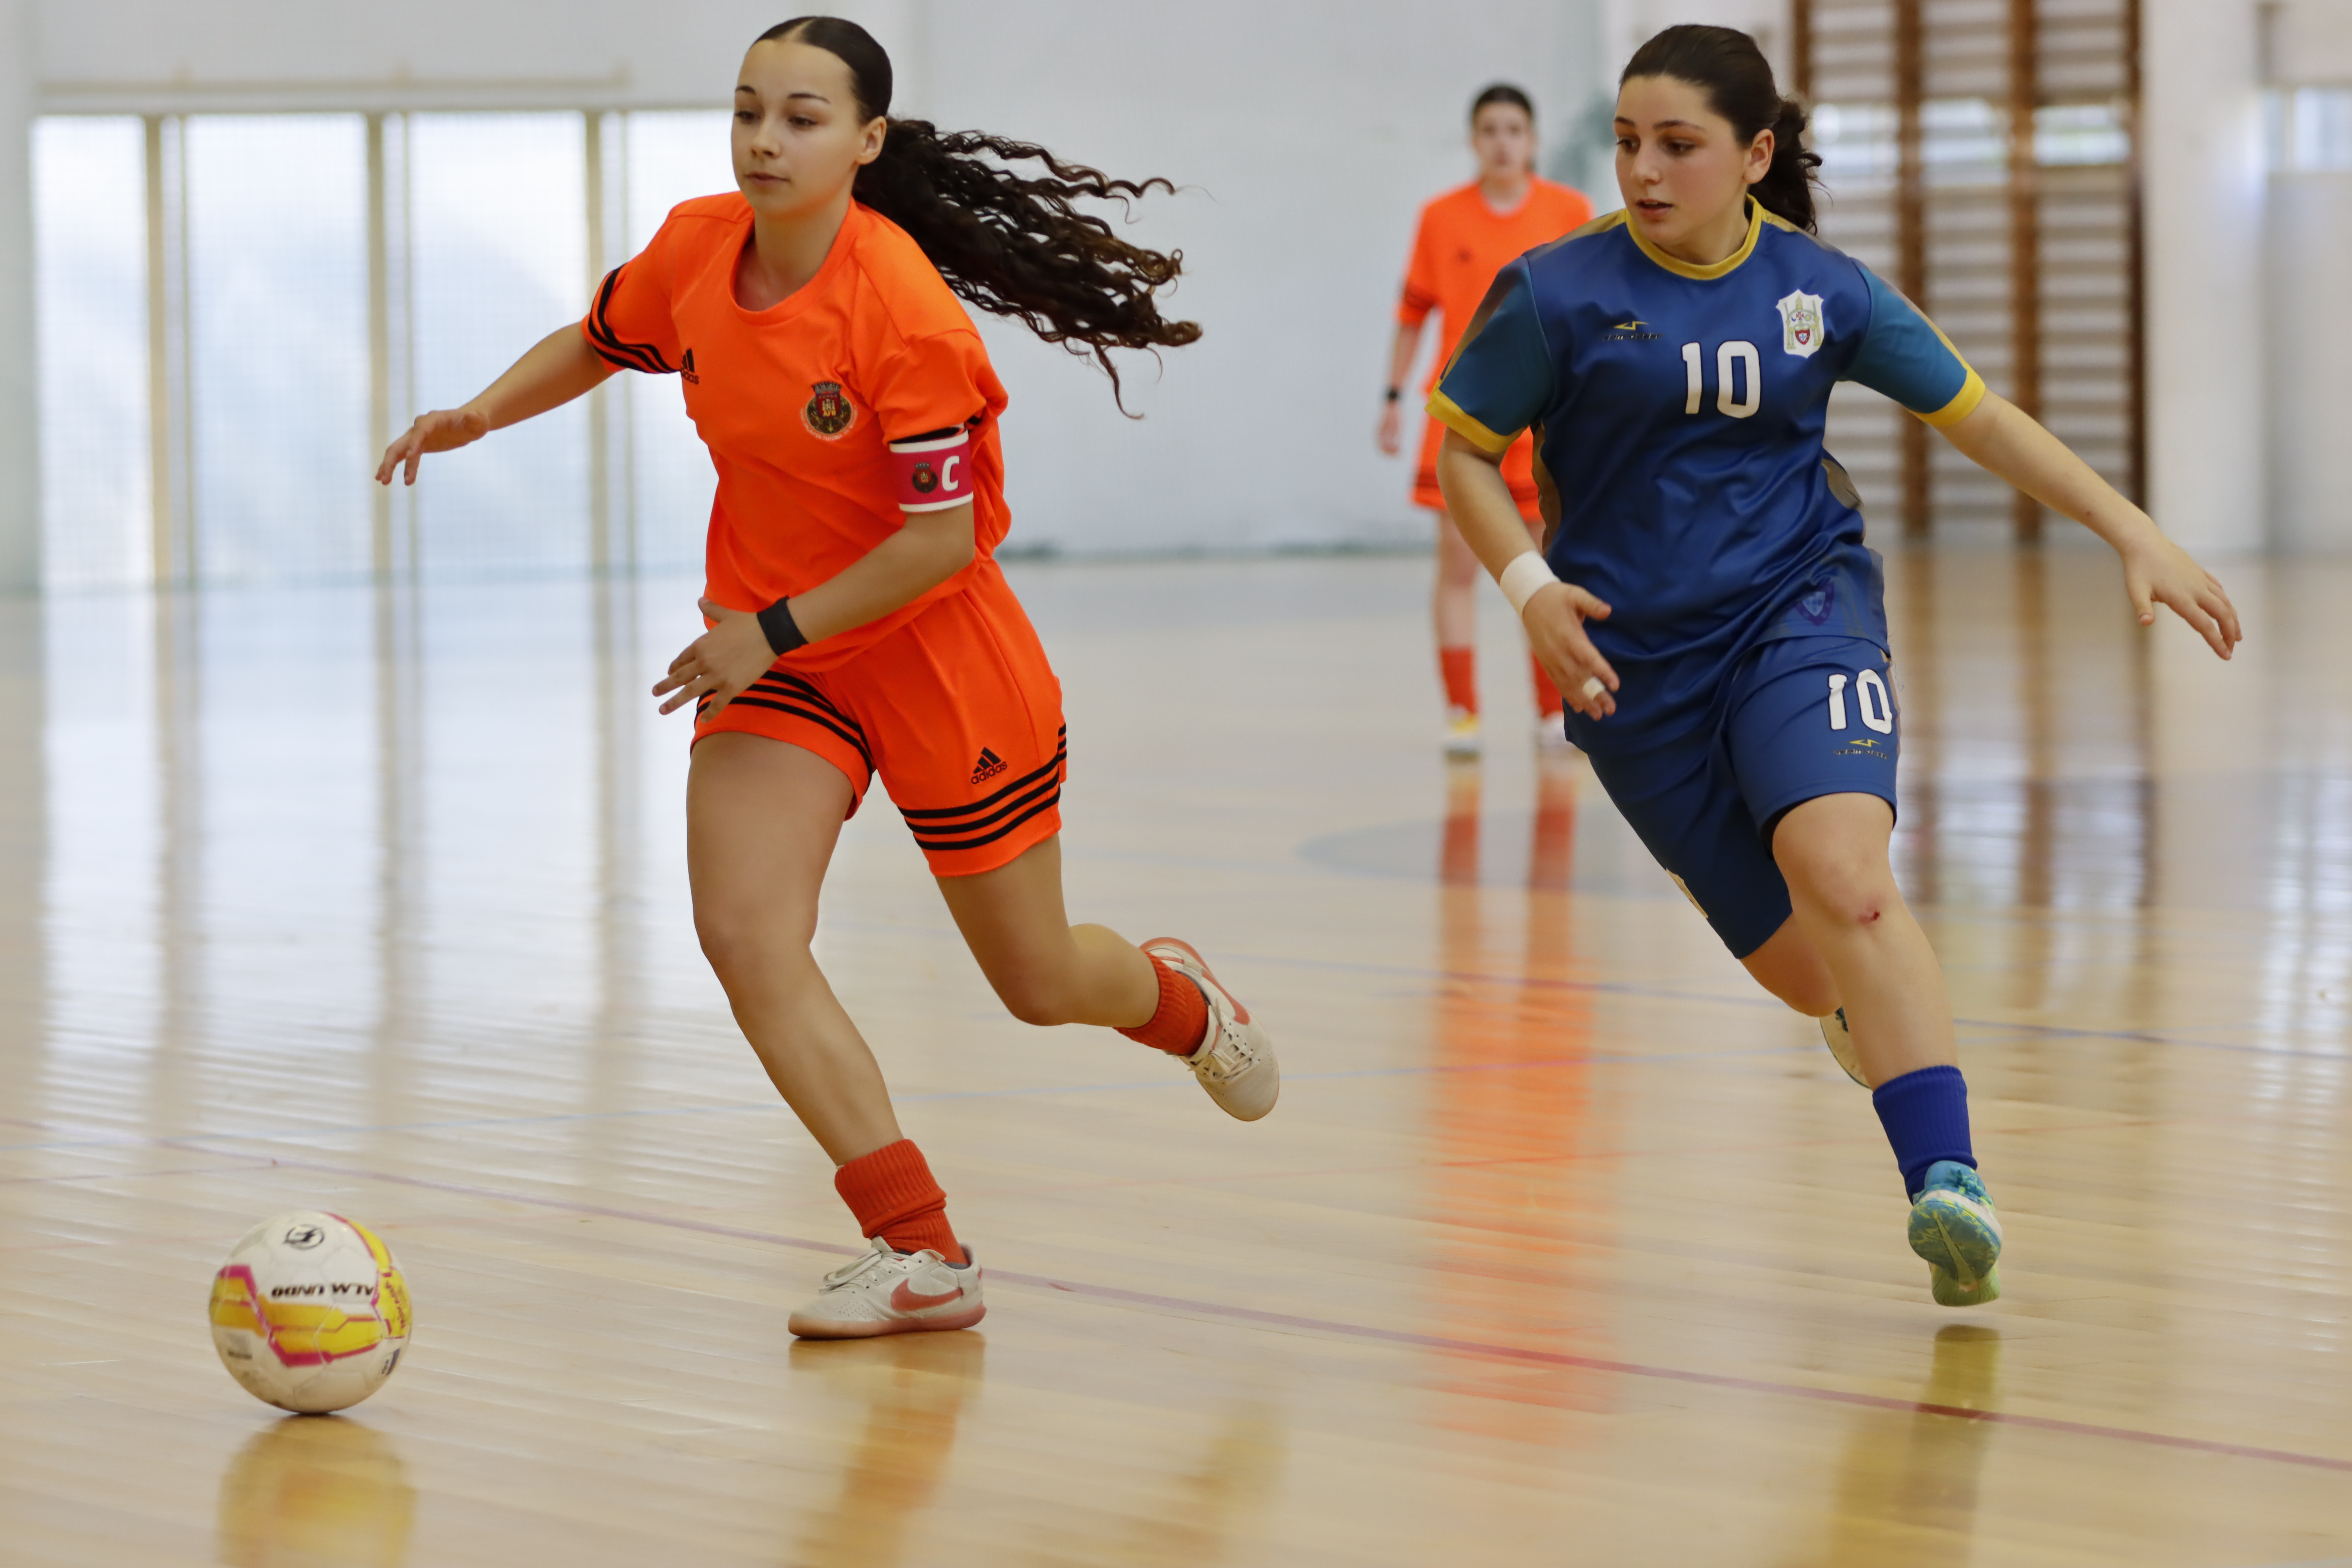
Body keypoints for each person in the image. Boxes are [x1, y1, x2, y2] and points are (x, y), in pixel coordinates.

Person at [374, 16, 1279, 1339]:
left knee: (1035, 984)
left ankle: (1184, 999)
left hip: (933, 650)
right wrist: (481, 411)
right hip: (785, 654)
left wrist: (769, 631)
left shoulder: (901, 311)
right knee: (746, 934)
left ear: (864, 142)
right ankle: (920, 1249)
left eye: (799, 117)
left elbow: (941, 537)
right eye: (747, 110)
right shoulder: (695, 249)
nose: (762, 139)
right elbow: (600, 334)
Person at [1431, 24, 2240, 1305]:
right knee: (1816, 970)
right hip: (1633, 673)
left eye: (1679, 145)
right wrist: (1529, 590)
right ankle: (1866, 1021)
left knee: (1847, 879)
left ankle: (1948, 1190)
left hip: (1799, 612)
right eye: (1631, 142)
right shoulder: (1555, 296)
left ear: (1753, 156)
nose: (1644, 170)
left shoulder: (1822, 291)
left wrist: (2129, 530)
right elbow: (1464, 452)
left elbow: (1979, 415)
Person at [1379, 85, 1593, 757]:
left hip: (1543, 420)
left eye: (1515, 129)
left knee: (1540, 565)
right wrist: (1391, 398)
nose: (1503, 141)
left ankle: (1549, 710)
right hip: (1464, 419)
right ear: (1474, 141)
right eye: (1490, 130)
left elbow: (1592, 317)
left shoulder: (1569, 211)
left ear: (1532, 140)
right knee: (1459, 570)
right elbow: (1413, 315)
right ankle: (1463, 711)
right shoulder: (1439, 219)